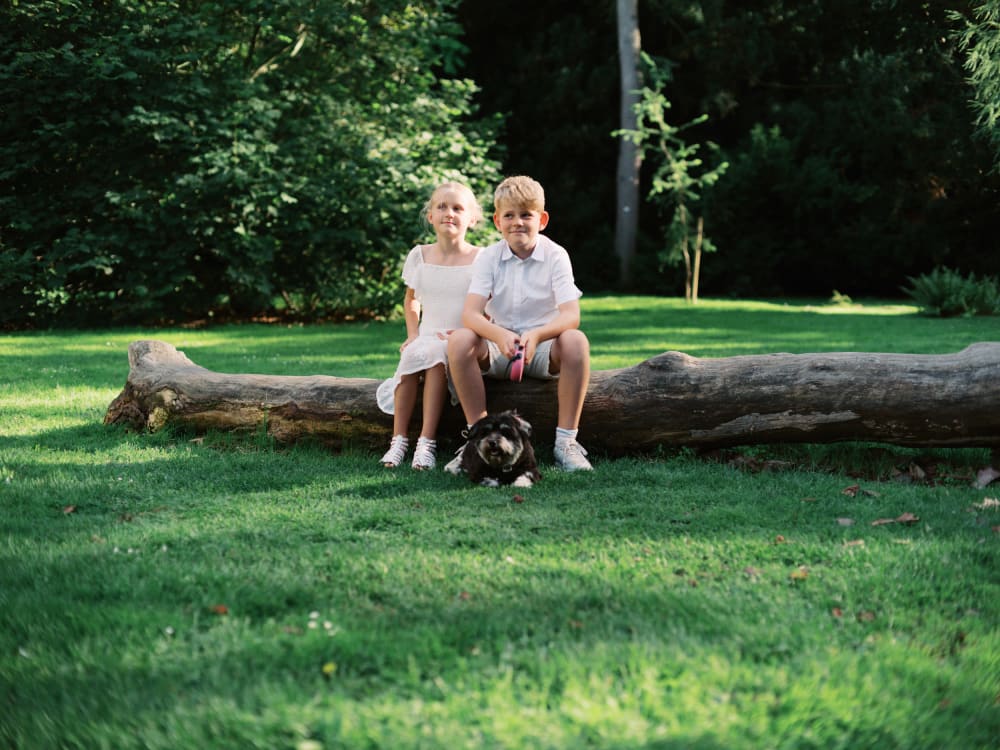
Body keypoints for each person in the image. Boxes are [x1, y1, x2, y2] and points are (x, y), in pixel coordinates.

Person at [445, 175, 593, 473]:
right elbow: (471, 314)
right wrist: (498, 334)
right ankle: (477, 438)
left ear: (542, 220)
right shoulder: (489, 257)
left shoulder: (556, 255)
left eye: (526, 215)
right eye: (509, 215)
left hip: (542, 350)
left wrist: (537, 335)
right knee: (460, 339)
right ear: (497, 221)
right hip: (498, 349)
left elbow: (570, 315)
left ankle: (566, 441)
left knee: (576, 340)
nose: (518, 222)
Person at [376, 181, 484, 469]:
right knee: (413, 355)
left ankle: (426, 442)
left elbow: (489, 307)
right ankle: (398, 441)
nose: (449, 213)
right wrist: (413, 334)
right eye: (442, 207)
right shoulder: (420, 255)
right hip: (426, 334)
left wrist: (471, 332)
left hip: (460, 339)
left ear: (472, 218)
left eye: (458, 208)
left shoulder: (481, 258)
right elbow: (412, 299)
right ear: (430, 215)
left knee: (436, 357)